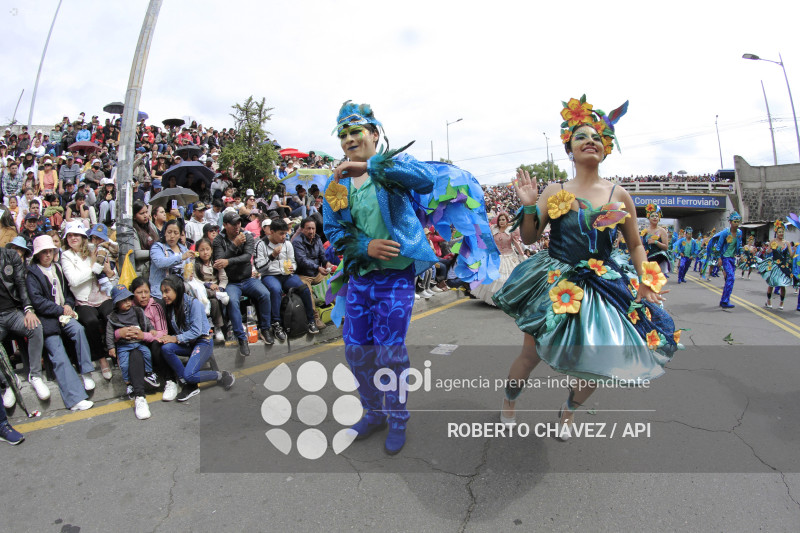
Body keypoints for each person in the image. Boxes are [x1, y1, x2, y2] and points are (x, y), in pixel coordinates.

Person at [493, 95, 678, 440]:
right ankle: (509, 400)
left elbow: (636, 244)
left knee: (598, 366)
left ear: (605, 150)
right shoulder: (555, 189)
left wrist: (647, 279)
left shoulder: (619, 195)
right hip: (556, 282)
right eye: (580, 137)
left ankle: (567, 413)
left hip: (603, 285)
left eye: (596, 137)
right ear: (570, 149)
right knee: (529, 356)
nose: (589, 141)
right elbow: (531, 237)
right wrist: (531, 206)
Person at [322, 100, 442, 454]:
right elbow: (333, 229)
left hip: (395, 278)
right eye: (343, 134)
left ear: (374, 134)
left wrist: (368, 166)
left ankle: (398, 418)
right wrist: (364, 245)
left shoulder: (394, 166)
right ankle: (373, 412)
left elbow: (426, 180)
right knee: (357, 352)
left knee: (390, 353)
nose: (348, 139)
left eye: (355, 131)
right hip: (361, 278)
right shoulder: (338, 183)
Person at [26, 235, 95, 412]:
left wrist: (68, 305)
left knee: (79, 331)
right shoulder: (33, 273)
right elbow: (38, 301)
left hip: (64, 314)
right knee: (58, 353)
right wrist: (61, 310)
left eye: (50, 251)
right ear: (37, 255)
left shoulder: (58, 268)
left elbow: (69, 294)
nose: (48, 255)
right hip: (48, 319)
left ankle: (86, 371)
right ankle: (75, 399)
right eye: (44, 252)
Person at [158, 275, 235, 401]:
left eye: (167, 291)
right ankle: (190, 384)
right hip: (188, 344)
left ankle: (220, 375)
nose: (163, 296)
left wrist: (175, 338)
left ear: (177, 290)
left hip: (202, 342)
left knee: (189, 375)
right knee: (166, 348)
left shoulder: (194, 304)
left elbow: (196, 331)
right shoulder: (171, 307)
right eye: (162, 292)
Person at [213, 210, 273, 355]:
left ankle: (265, 329)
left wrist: (228, 260)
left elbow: (246, 257)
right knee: (232, 301)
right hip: (231, 282)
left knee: (265, 293)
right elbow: (219, 262)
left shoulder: (247, 235)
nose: (237, 226)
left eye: (239, 223)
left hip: (248, 279)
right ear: (225, 225)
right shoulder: (218, 240)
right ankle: (241, 338)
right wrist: (234, 245)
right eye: (233, 224)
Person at [60, 221, 115, 379]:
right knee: (90, 321)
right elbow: (74, 280)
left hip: (101, 293)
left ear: (83, 236)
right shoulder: (66, 256)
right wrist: (94, 270)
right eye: (70, 235)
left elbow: (106, 258)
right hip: (83, 299)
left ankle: (117, 351)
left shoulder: (91, 248)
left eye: (76, 234)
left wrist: (105, 267)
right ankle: (101, 358)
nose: (73, 238)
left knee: (112, 313)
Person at [0, 236, 49, 402]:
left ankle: (35, 375)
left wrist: (28, 309)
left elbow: (21, 283)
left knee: (35, 327)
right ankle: (7, 382)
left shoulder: (9, 255)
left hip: (14, 312)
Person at [258, 219, 319, 338]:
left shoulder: (287, 244)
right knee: (275, 290)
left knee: (304, 288)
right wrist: (272, 256)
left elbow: (293, 262)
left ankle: (311, 320)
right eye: (281, 233)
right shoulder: (261, 244)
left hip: (286, 275)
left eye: (285, 233)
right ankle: (277, 324)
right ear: (271, 232)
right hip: (270, 275)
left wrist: (292, 268)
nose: (284, 236)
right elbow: (260, 267)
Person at [106, 285, 158, 419]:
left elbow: (147, 323)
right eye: (123, 301)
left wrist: (150, 330)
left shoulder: (137, 311)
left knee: (146, 354)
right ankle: (129, 384)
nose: (128, 302)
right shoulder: (113, 317)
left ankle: (149, 373)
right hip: (124, 346)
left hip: (139, 343)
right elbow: (109, 333)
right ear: (117, 303)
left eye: (129, 299)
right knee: (123, 364)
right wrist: (111, 346)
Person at [129, 277, 178, 402]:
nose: (144, 296)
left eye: (146, 292)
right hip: (137, 344)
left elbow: (162, 332)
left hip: (153, 342)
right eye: (139, 293)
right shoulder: (129, 308)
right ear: (133, 294)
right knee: (135, 352)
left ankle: (170, 380)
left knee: (158, 344)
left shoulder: (155, 306)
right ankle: (139, 395)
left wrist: (144, 336)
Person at [471, 212, 524, 305]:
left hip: (509, 256)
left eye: (503, 219)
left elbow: (516, 243)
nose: (501, 221)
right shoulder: (493, 229)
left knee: (506, 279)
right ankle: (494, 300)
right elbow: (488, 242)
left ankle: (506, 300)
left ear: (507, 220)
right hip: (496, 256)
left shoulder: (512, 230)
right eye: (500, 220)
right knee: (494, 278)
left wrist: (522, 254)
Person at [292, 217, 333, 329]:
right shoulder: (297, 242)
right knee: (307, 289)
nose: (311, 231)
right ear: (302, 229)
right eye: (308, 228)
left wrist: (327, 264)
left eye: (313, 228)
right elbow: (302, 260)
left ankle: (337, 311)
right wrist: (318, 267)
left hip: (316, 272)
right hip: (303, 274)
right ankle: (315, 318)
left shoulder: (317, 238)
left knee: (334, 281)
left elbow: (322, 255)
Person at [194, 238, 229, 343]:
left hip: (216, 290)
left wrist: (221, 287)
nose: (205, 252)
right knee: (206, 292)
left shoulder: (216, 262)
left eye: (207, 249)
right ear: (197, 251)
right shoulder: (195, 264)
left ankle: (218, 328)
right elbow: (195, 280)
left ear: (211, 250)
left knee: (214, 301)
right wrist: (208, 284)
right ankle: (218, 295)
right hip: (203, 290)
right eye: (202, 250)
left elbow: (223, 278)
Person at [149, 219, 194, 302]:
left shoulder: (183, 249)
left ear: (180, 235)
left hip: (180, 289)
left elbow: (188, 267)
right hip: (161, 292)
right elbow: (160, 263)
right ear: (164, 232)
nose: (172, 236)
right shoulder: (157, 247)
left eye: (176, 233)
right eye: (169, 232)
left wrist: (188, 274)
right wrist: (181, 257)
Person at [706, 212, 743, 309]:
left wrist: (742, 254)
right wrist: (719, 258)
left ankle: (724, 300)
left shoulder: (739, 233)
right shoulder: (725, 233)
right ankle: (725, 301)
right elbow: (719, 246)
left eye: (738, 222)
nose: (736, 224)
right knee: (731, 277)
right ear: (730, 222)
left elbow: (740, 245)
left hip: (732, 258)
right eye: (735, 221)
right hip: (725, 257)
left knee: (729, 279)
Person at [757, 219, 793, 310]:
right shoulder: (773, 241)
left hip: (783, 266)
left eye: (782, 232)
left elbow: (791, 255)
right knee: (771, 284)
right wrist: (770, 247)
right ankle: (769, 301)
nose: (781, 233)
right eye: (779, 232)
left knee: (783, 285)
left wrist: (796, 250)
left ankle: (781, 303)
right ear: (776, 232)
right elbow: (767, 252)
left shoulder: (787, 243)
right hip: (774, 265)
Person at [641, 203, 671, 277]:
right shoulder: (645, 231)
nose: (655, 218)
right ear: (649, 218)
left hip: (658, 260)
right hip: (647, 260)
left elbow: (666, 247)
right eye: (652, 216)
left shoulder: (662, 231)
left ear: (659, 218)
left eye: (656, 216)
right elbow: (641, 245)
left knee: (656, 282)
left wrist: (656, 242)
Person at [131, 200, 158, 279]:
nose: (146, 215)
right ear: (134, 216)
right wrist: (156, 252)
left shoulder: (150, 225)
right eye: (142, 213)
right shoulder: (133, 230)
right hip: (143, 270)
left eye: (146, 212)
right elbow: (137, 253)